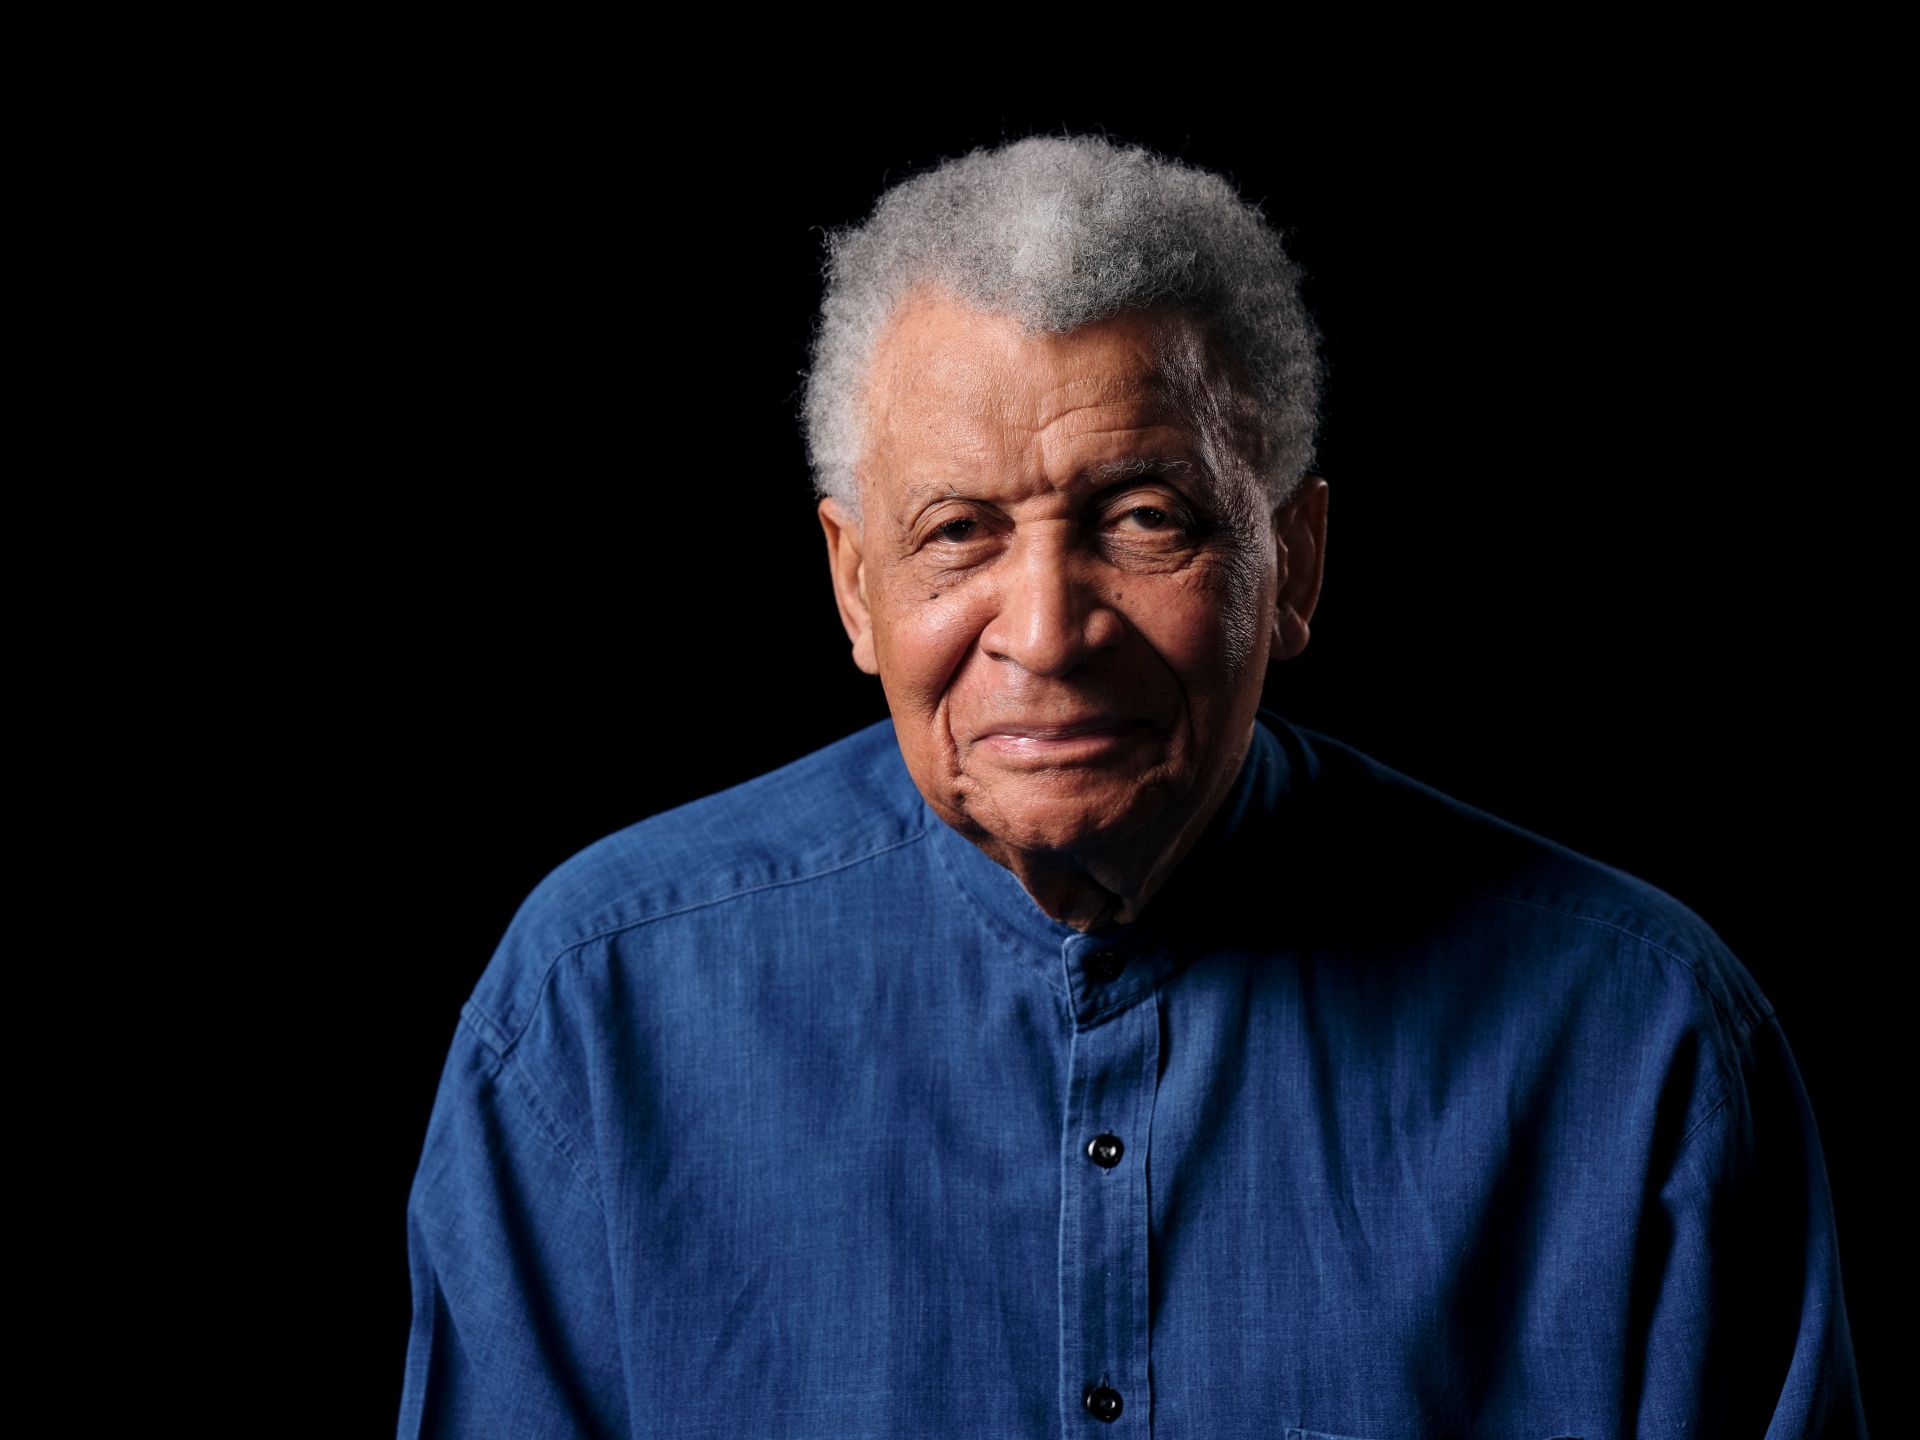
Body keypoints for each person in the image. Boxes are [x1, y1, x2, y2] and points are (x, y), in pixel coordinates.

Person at [397, 135, 1864, 1437]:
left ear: (1293, 566)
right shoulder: (592, 1014)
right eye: (959, 532)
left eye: (1146, 518)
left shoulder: (1645, 1044)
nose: (1046, 634)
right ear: (853, 586)